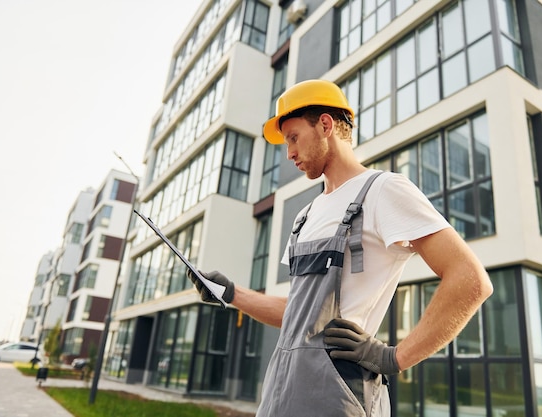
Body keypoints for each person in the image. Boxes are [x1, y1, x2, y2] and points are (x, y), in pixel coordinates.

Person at [188, 79, 493, 417]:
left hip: (340, 396)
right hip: (283, 392)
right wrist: (230, 293)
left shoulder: (382, 191)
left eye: (293, 138)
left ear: (325, 125)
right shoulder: (305, 215)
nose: (289, 153)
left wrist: (394, 357)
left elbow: (470, 280)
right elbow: (300, 313)